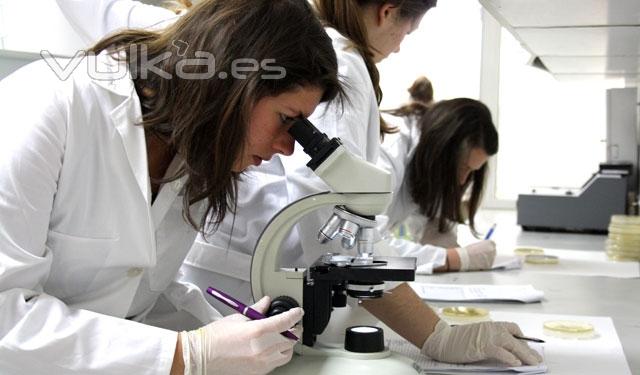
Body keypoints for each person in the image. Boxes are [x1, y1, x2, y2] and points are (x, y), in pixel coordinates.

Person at [56, 0, 542, 367]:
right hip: (242, 282)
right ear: (388, 11)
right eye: (409, 27)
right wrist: (436, 334)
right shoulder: (327, 62)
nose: (402, 42)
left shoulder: (286, 76)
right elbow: (329, 224)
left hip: (214, 301)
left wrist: (198, 342)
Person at [0, 0, 342, 374]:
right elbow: (6, 317)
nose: (286, 148)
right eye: (287, 119)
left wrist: (230, 337)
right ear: (231, 86)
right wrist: (187, 353)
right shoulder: (49, 106)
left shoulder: (187, 154)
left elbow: (137, 294)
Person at [380, 84, 497, 272]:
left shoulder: (427, 159)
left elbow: (423, 211)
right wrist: (451, 259)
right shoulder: (388, 149)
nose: (461, 181)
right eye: (463, 168)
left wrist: (440, 229)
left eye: (472, 172)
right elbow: (366, 249)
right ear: (442, 151)